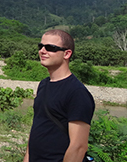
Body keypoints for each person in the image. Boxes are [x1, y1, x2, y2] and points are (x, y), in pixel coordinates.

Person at [24, 29, 95, 162]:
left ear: (67, 54)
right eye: (41, 46)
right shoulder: (44, 85)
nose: (42, 51)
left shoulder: (77, 93)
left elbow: (78, 147)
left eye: (50, 48)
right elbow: (38, 126)